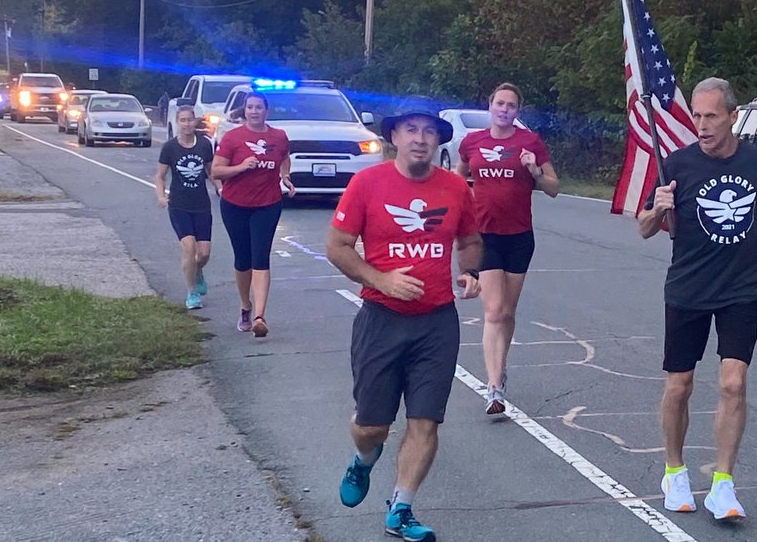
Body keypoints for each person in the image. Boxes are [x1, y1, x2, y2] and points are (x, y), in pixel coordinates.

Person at [638, 77, 757, 521]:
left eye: (711, 116)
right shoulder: (677, 165)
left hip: (741, 289)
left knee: (733, 384)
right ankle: (675, 470)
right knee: (679, 386)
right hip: (688, 288)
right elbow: (644, 228)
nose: (702, 125)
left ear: (733, 117)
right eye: (697, 116)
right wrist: (658, 207)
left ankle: (723, 484)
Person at [327, 106, 482, 542]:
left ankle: (401, 507)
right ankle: (364, 458)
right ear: (395, 135)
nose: (420, 138)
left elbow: (470, 239)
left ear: (438, 141)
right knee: (372, 425)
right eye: (411, 130)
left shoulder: (455, 188)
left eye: (429, 132)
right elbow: (337, 246)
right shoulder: (367, 183)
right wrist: (381, 279)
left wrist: (470, 271)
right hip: (381, 318)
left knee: (425, 421)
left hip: (436, 322)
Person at [455, 82, 560, 415]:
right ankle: (494, 386)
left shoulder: (529, 143)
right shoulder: (472, 142)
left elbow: (554, 188)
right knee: (494, 311)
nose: (504, 109)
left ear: (518, 111)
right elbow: (458, 180)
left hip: (519, 236)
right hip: (484, 235)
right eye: (499, 103)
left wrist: (534, 171)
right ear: (490, 106)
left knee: (508, 312)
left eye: (511, 106)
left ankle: (501, 370)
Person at [211, 90, 294, 337]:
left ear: (266, 111)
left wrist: (285, 177)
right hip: (235, 204)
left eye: (259, 107)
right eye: (250, 107)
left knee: (261, 257)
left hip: (267, 204)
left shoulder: (278, 136)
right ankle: (245, 306)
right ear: (244, 111)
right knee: (243, 259)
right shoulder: (233, 137)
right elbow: (216, 171)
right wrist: (241, 167)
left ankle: (259, 316)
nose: (254, 111)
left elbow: (285, 157)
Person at [155, 105, 215, 309]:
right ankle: (191, 293)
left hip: (202, 205)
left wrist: (222, 189)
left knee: (204, 253)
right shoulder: (170, 148)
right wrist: (161, 197)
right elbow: (160, 177)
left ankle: (196, 271)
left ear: (195, 121)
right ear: (177, 122)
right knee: (189, 247)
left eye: (190, 120)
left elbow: (211, 171)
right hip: (179, 205)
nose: (187, 124)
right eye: (183, 120)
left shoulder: (205, 145)